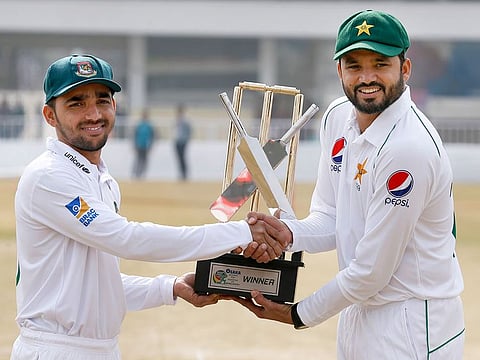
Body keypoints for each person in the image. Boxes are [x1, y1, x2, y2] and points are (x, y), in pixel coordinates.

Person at [11, 54, 287, 360]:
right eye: (76, 103)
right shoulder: (49, 176)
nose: (93, 114)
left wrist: (170, 288)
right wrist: (241, 232)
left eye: (102, 101)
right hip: (55, 350)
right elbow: (127, 239)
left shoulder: (101, 179)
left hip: (100, 349)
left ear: (114, 107)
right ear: (50, 115)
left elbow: (96, 286)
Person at [230, 10, 465, 359]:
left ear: (405, 69)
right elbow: (331, 217)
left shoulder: (408, 149)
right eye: (354, 65)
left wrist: (298, 313)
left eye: (380, 64)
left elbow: (371, 271)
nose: (367, 77)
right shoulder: (338, 116)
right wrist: (288, 233)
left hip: (414, 319)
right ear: (339, 70)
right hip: (358, 311)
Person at [132, 109, 155, 179]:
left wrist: (151, 145)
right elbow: (135, 135)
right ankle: (136, 174)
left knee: (144, 160)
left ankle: (142, 174)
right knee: (138, 160)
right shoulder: (139, 125)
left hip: (146, 145)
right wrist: (134, 145)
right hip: (139, 145)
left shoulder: (149, 126)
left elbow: (152, 136)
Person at [173, 103, 191, 180]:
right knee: (179, 158)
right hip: (177, 141)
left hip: (183, 141)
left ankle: (184, 174)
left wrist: (186, 139)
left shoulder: (185, 121)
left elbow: (189, 130)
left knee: (182, 158)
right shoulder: (176, 120)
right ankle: (181, 173)